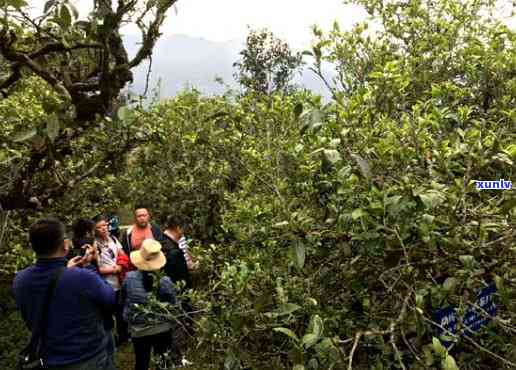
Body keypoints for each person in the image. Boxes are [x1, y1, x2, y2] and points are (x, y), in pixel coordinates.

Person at [12, 218, 116, 369]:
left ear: (33, 246)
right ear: (65, 244)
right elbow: (110, 299)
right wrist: (88, 267)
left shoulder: (20, 280)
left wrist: (67, 271)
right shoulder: (84, 277)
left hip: (48, 359)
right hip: (89, 357)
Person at [121, 239, 178, 370]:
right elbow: (174, 305)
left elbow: (123, 300)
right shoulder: (165, 281)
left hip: (139, 330)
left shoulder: (129, 279)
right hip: (162, 328)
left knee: (141, 362)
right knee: (163, 362)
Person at [93, 214, 129, 345]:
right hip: (105, 284)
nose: (104, 228)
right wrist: (115, 270)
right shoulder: (95, 245)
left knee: (121, 312)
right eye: (100, 227)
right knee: (107, 314)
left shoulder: (113, 239)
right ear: (95, 230)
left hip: (119, 282)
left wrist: (121, 265)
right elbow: (96, 268)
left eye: (105, 225)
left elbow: (122, 254)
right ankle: (108, 339)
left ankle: (123, 337)